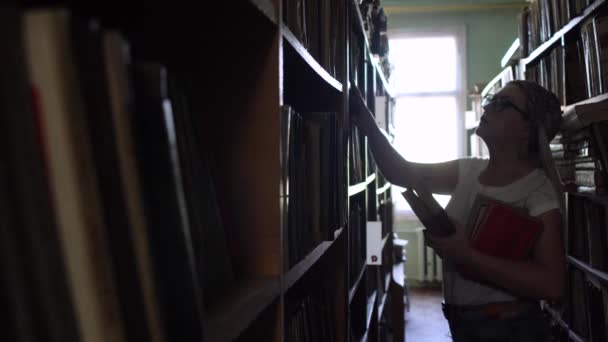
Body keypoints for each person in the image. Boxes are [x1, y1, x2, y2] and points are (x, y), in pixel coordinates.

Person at [351, 80, 565, 342]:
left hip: (507, 330)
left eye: (501, 104)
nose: (487, 108)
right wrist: (367, 122)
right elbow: (400, 172)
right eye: (490, 101)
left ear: (526, 129)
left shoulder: (537, 189)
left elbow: (552, 284)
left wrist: (465, 255)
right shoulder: (469, 170)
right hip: (465, 325)